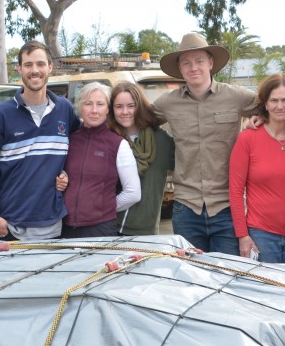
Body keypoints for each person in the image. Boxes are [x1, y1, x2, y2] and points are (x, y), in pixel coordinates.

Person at [152, 33, 258, 255]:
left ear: (210, 63)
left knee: (227, 277)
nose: (194, 68)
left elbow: (280, 108)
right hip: (186, 208)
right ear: (180, 68)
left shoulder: (236, 96)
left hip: (227, 207)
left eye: (199, 61)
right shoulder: (168, 102)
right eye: (186, 63)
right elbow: (135, 119)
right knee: (192, 280)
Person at [0, 41, 80, 241]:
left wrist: (66, 172)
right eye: (28, 65)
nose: (35, 70)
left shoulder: (64, 109)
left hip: (53, 223)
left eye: (41, 64)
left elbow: (78, 146)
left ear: (50, 67)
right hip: (11, 225)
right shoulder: (0, 114)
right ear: (19, 69)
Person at [229, 73, 285, 265]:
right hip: (260, 235)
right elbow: (235, 191)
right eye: (273, 100)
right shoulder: (248, 138)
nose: (279, 106)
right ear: (265, 103)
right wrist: (242, 235)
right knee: (265, 293)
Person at [60, 83, 140, 238]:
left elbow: (133, 193)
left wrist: (103, 208)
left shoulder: (118, 144)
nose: (94, 110)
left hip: (101, 229)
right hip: (65, 228)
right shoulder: (68, 140)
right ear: (80, 107)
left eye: (100, 104)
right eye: (88, 104)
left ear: (108, 109)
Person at [108, 82, 175, 236]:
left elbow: (188, 165)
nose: (125, 112)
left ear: (140, 107)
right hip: (108, 226)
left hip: (145, 230)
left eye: (131, 106)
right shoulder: (108, 139)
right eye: (119, 106)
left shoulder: (161, 140)